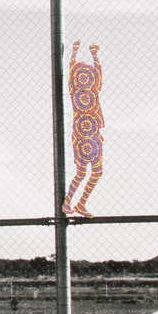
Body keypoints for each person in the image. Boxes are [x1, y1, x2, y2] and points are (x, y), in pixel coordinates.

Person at [61, 40, 104, 218]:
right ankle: (73, 202)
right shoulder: (89, 92)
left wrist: (75, 52)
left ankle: (74, 202)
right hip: (87, 134)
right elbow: (97, 72)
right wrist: (93, 54)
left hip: (87, 134)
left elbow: (74, 68)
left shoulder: (78, 92)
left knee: (87, 171)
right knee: (91, 171)